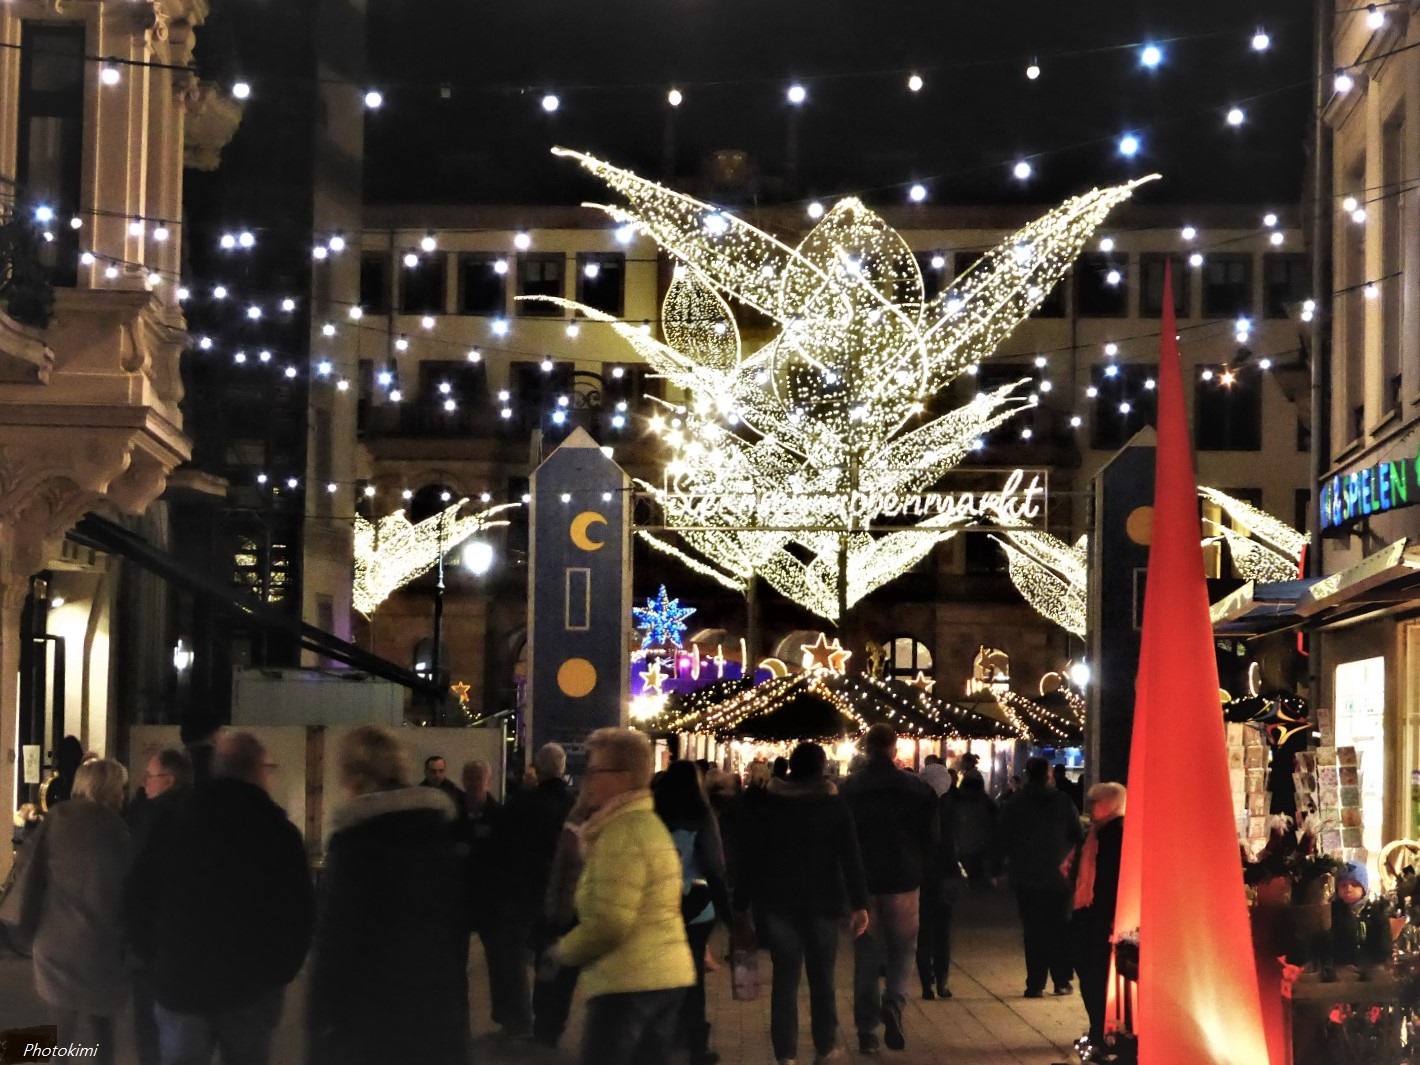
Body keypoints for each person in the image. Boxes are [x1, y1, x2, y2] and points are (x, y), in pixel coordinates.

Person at [127, 731, 314, 1065]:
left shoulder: (174, 819)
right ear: (258, 771)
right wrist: (279, 973)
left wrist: (151, 958)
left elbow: (139, 893)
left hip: (180, 979)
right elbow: (300, 913)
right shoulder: (278, 831)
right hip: (251, 988)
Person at [306, 726, 468, 1065]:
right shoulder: (437, 835)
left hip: (371, 1024)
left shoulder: (354, 845)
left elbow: (336, 946)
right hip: (436, 1014)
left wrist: (320, 1031)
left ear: (354, 776)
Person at [546, 728, 694, 1065]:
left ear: (623, 778)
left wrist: (562, 951)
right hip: (661, 977)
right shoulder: (645, 824)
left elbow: (611, 922)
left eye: (596, 770)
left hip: (630, 981)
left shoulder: (622, 834)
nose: (588, 779)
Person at [735, 742, 869, 1065]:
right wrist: (859, 903)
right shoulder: (834, 806)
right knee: (823, 978)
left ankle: (786, 1054)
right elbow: (851, 857)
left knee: (785, 979)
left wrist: (741, 904)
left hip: (778, 903)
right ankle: (825, 1046)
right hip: (823, 902)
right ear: (822, 768)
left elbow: (751, 857)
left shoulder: (769, 804)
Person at [840, 723, 938, 1054]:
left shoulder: (849, 789)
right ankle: (894, 1004)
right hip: (904, 879)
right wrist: (922, 867)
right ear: (895, 749)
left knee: (866, 955)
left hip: (863, 882)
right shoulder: (917, 789)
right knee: (903, 948)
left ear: (865, 749)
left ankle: (866, 1030)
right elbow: (931, 837)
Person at [31, 759, 131, 1061]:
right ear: (110, 788)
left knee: (60, 1032)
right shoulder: (117, 829)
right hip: (100, 946)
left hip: (56, 941)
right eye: (121, 788)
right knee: (102, 1032)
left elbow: (28, 868)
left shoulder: (58, 817)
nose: (124, 795)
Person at [653, 760, 732, 1065]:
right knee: (693, 974)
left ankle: (665, 1031)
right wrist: (728, 913)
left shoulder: (653, 814)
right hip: (696, 905)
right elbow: (715, 866)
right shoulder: (702, 815)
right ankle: (696, 1041)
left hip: (658, 904)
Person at [497, 743, 575, 1038]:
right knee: (552, 956)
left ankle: (518, 1017)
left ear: (538, 770)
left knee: (513, 954)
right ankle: (549, 1023)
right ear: (564, 768)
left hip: (523, 889)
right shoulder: (573, 804)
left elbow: (501, 845)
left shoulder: (521, 802)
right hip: (560, 892)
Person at [998, 755, 1084, 999]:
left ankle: (1034, 984)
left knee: (1033, 930)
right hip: (1059, 877)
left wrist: (996, 868)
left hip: (1025, 876)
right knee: (1059, 928)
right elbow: (1078, 836)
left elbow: (1003, 837)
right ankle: (1061, 980)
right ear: (1048, 774)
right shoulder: (1063, 802)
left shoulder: (1015, 803)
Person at [127, 749, 193, 1065]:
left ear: (168, 781)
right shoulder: (199, 816)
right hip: (185, 946)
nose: (143, 784)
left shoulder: (155, 821)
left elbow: (137, 883)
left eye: (149, 776)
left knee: (150, 1029)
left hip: (152, 944)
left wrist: (134, 942)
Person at [451, 760, 518, 1035]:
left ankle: (505, 1018)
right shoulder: (453, 814)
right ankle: (457, 1022)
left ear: (487, 780)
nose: (474, 782)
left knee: (499, 963)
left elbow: (507, 856)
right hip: (460, 898)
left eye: (478, 777)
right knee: (455, 965)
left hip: (490, 898)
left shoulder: (499, 815)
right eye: (470, 777)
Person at [1066, 782, 1125, 1048]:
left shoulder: (1115, 836)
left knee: (1095, 976)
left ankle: (1101, 1030)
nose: (1089, 807)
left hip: (1100, 918)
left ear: (1110, 804)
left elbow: (1112, 881)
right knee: (1088, 973)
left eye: (1094, 802)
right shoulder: (1094, 834)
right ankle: (1098, 1028)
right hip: (1086, 913)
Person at [534, 794, 592, 1048]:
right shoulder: (572, 834)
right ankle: (549, 1024)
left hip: (581, 913)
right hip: (568, 913)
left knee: (563, 974)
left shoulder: (605, 834)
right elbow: (557, 876)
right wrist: (551, 911)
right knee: (559, 972)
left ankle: (551, 1024)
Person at [918, 778, 959, 1000]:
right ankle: (942, 982)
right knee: (942, 933)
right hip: (944, 878)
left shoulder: (916, 806)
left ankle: (927, 984)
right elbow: (952, 847)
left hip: (922, 878)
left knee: (924, 932)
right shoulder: (949, 809)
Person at [952, 774, 998, 888]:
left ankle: (975, 881)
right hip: (980, 843)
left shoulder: (958, 803)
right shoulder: (987, 804)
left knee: (973, 863)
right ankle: (978, 881)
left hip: (966, 843)